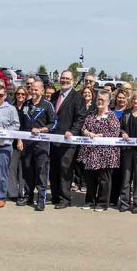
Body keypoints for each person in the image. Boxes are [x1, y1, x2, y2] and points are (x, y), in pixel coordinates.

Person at [49, 70, 86, 210]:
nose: (64, 80)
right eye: (62, 78)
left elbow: (80, 118)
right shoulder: (54, 95)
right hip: (53, 138)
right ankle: (55, 195)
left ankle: (65, 198)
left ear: (72, 80)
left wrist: (72, 131)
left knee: (65, 169)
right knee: (54, 169)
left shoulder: (77, 98)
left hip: (68, 140)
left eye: (67, 78)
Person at [18, 80, 57, 211]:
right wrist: (20, 139)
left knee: (41, 172)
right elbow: (21, 124)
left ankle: (41, 199)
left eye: (36, 90)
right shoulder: (26, 104)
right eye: (32, 89)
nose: (33, 92)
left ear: (41, 91)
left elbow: (53, 124)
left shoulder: (47, 105)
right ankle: (28, 196)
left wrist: (41, 130)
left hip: (41, 145)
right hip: (27, 144)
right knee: (27, 170)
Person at [78, 91, 121, 211]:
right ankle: (89, 201)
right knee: (90, 178)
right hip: (90, 153)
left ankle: (102, 203)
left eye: (102, 100)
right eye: (98, 99)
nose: (100, 102)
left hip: (106, 153)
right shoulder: (91, 115)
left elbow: (115, 132)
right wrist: (87, 133)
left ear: (108, 102)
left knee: (104, 179)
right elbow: (83, 128)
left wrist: (99, 135)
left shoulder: (112, 116)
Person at [8, 86, 28, 200]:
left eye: (23, 94)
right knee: (12, 168)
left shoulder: (29, 108)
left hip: (26, 142)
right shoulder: (11, 108)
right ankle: (13, 193)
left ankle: (22, 192)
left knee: (23, 169)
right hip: (12, 143)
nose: (20, 96)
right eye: (18, 94)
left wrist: (21, 139)